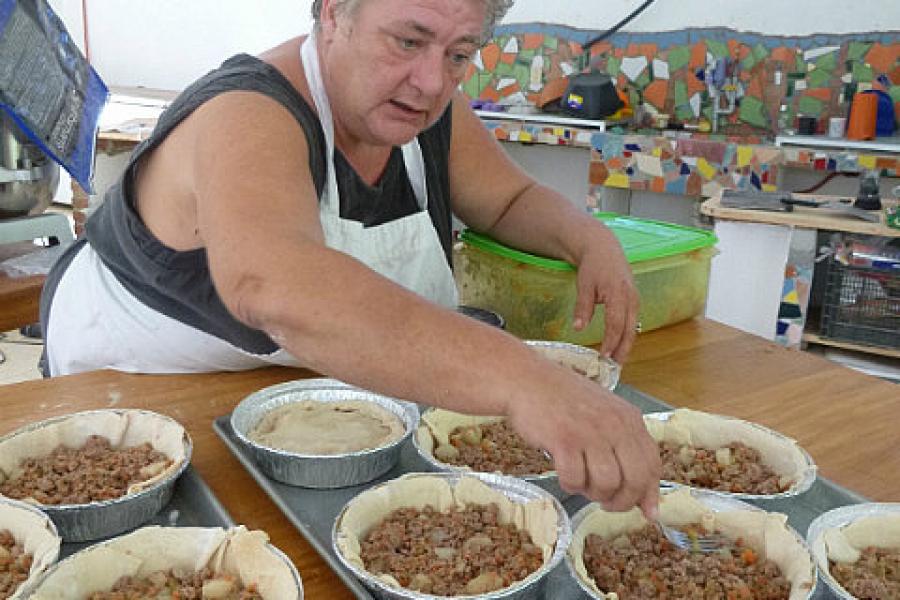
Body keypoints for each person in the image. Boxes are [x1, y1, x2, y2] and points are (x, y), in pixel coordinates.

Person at [40, 0, 660, 515]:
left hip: (299, 399)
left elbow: (509, 199)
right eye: (409, 40)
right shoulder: (246, 111)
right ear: (334, 12)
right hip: (135, 391)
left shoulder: (425, 109)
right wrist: (524, 379)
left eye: (459, 54)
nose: (432, 82)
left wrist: (588, 237)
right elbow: (273, 283)